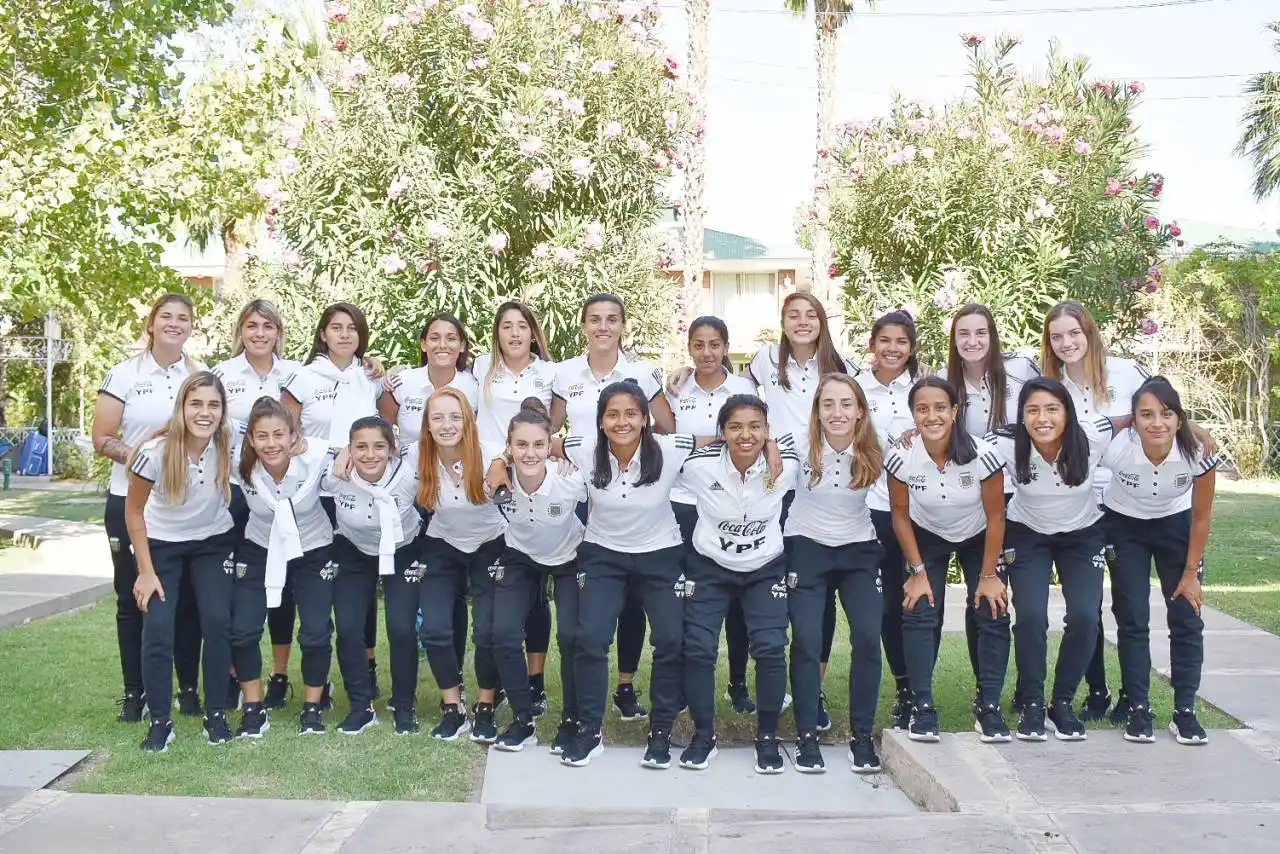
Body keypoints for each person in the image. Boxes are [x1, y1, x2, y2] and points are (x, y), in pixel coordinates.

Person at [551, 293, 674, 722]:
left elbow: (668, 426)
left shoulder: (641, 371)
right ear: (584, 325)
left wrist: (638, 460)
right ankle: (587, 703)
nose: (603, 327)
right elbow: (550, 430)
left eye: (612, 320)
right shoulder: (565, 373)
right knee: (601, 603)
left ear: (623, 325)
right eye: (595, 320)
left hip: (637, 490)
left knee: (638, 602)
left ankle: (625, 684)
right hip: (587, 493)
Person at [559, 382, 694, 768]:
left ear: (645, 419)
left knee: (670, 638)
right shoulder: (583, 450)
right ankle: (589, 730)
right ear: (601, 421)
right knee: (591, 638)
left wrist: (767, 446)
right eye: (613, 414)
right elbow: (537, 443)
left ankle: (660, 732)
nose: (622, 422)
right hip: (604, 555)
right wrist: (502, 461)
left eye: (631, 414)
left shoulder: (670, 449)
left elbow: (720, 439)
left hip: (660, 554)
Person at [747, 292, 859, 727]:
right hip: (775, 484)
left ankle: (813, 689)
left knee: (818, 595)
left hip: (823, 487)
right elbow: (742, 397)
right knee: (772, 584)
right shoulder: (764, 361)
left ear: (822, 321)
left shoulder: (839, 365)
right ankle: (769, 682)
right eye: (793, 315)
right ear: (783, 321)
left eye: (810, 314)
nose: (802, 322)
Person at [93, 294, 205, 723]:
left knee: (187, 602)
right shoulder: (124, 374)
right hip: (131, 499)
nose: (175, 324)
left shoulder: (199, 376)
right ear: (152, 324)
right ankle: (133, 692)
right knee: (132, 599)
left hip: (185, 506)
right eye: (166, 317)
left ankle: (189, 690)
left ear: (191, 327)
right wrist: (143, 459)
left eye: (183, 318)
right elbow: (103, 436)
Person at [988, 377, 1116, 741]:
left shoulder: (1093, 436)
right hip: (1028, 534)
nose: (1042, 418)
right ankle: (1031, 702)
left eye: (1052, 409)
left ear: (1068, 412)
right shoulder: (1005, 443)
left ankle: (1061, 702)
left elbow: (1130, 421)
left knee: (1084, 616)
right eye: (1032, 410)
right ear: (1022, 416)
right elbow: (959, 446)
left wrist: (1191, 427)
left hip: (1083, 534)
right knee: (1029, 616)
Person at [885, 377, 1011, 743]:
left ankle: (988, 706)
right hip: (926, 535)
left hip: (977, 535)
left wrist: (989, 574)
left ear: (955, 412)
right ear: (913, 414)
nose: (932, 415)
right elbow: (899, 515)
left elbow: (997, 517)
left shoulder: (983, 455)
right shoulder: (901, 456)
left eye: (940, 407)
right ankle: (921, 705)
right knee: (919, 607)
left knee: (992, 607)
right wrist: (918, 571)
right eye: (922, 409)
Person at [678, 394, 798, 774]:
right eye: (735, 427)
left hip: (764, 567)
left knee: (771, 647)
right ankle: (703, 734)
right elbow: (655, 446)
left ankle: (766, 737)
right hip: (710, 565)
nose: (746, 435)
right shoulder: (698, 466)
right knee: (698, 648)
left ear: (767, 430)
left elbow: (819, 437)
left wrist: (775, 446)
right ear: (722, 432)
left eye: (755, 426)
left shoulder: (788, 463)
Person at [1102, 377, 1217, 745]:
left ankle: (1185, 711)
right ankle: (1138, 707)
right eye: (1146, 414)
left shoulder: (1198, 451)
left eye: (1167, 414)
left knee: (1186, 616)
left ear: (1179, 419)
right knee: (1133, 616)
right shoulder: (1117, 447)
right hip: (1124, 526)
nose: (1157, 423)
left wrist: (1190, 573)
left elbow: (1201, 518)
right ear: (1132, 420)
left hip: (1176, 526)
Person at [126, 372, 238, 751]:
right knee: (158, 627)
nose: (205, 413)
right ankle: (160, 722)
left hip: (212, 541)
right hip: (162, 544)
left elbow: (280, 435)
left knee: (217, 621)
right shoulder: (155, 452)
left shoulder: (229, 438)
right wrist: (145, 571)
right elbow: (133, 511)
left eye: (213, 405)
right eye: (196, 404)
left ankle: (216, 715)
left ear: (223, 411)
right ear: (182, 408)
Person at [784, 373, 885, 774]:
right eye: (828, 404)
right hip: (807, 544)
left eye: (846, 404)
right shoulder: (797, 447)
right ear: (817, 410)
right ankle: (807, 735)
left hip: (858, 547)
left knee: (866, 637)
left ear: (860, 409)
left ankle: (861, 737)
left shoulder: (880, 448)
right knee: (807, 639)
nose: (837, 412)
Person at [282, 302, 384, 699]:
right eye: (336, 328)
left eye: (352, 329)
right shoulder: (303, 377)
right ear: (322, 334)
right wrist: (334, 449)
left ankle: (367, 667)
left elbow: (382, 433)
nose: (344, 335)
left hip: (358, 495)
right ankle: (317, 680)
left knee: (357, 588)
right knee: (317, 592)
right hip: (314, 495)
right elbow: (287, 435)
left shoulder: (369, 378)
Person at [211, 299, 303, 712]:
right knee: (236, 589)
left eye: (268, 325)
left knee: (282, 592)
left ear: (278, 332)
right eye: (252, 325)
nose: (260, 333)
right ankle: (234, 673)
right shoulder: (221, 375)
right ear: (241, 331)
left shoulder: (297, 374)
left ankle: (280, 675)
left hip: (285, 494)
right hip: (235, 492)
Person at [668, 316, 759, 714]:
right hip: (683, 502)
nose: (706, 352)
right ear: (689, 348)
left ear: (726, 347)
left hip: (731, 504)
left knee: (737, 598)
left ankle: (738, 683)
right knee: (690, 596)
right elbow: (665, 440)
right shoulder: (675, 387)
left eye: (715, 344)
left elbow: (757, 435)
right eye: (699, 345)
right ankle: (690, 682)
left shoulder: (743, 388)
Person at [229, 398, 335, 738]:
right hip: (260, 547)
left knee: (316, 632)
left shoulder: (315, 459)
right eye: (262, 436)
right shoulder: (240, 465)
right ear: (251, 440)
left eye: (279, 435)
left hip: (312, 548)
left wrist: (336, 452)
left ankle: (313, 706)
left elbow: (354, 453)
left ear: (294, 436)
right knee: (244, 630)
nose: (271, 444)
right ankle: (253, 708)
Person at [487, 398, 587, 753]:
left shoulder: (570, 478)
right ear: (510, 448)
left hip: (568, 557)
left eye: (539, 445)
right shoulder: (497, 476)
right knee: (503, 633)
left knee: (572, 636)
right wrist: (498, 463)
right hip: (520, 556)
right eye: (521, 445)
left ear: (551, 447)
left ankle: (572, 720)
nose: (530, 453)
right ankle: (523, 719)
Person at [472, 301, 558, 715]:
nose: (515, 333)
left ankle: (535, 679)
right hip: (492, 482)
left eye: (522, 326)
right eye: (506, 326)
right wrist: (495, 461)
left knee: (539, 595)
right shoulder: (480, 368)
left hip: (533, 479)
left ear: (533, 332)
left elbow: (552, 429)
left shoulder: (549, 372)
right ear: (497, 333)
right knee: (505, 589)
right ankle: (500, 681)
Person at [415, 388, 508, 742]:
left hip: (489, 543)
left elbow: (522, 451)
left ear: (468, 420)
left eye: (455, 416)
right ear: (426, 425)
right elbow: (375, 455)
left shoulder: (488, 453)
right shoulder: (417, 456)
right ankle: (453, 706)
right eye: (437, 417)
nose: (446, 424)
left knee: (487, 631)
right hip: (442, 544)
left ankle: (486, 705)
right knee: (435, 629)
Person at [321, 416, 423, 735]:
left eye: (379, 446)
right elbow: (301, 448)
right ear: (349, 450)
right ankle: (360, 706)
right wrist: (337, 454)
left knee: (401, 627)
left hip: (404, 547)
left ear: (392, 449)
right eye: (360, 447)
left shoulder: (408, 476)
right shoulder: (335, 475)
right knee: (349, 627)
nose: (370, 454)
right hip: (353, 549)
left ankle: (404, 705)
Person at [856, 309, 923, 731]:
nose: (893, 349)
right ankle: (902, 685)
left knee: (915, 603)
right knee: (882, 607)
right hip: (870, 510)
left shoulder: (923, 389)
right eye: (885, 341)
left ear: (911, 348)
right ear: (872, 346)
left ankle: (918, 691)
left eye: (901, 342)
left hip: (919, 511)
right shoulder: (855, 390)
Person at [380, 313, 479, 449]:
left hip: (459, 468)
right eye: (434, 338)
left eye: (451, 338)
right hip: (409, 468)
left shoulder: (474, 387)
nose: (442, 345)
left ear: (462, 345)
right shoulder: (402, 382)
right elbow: (381, 432)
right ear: (423, 344)